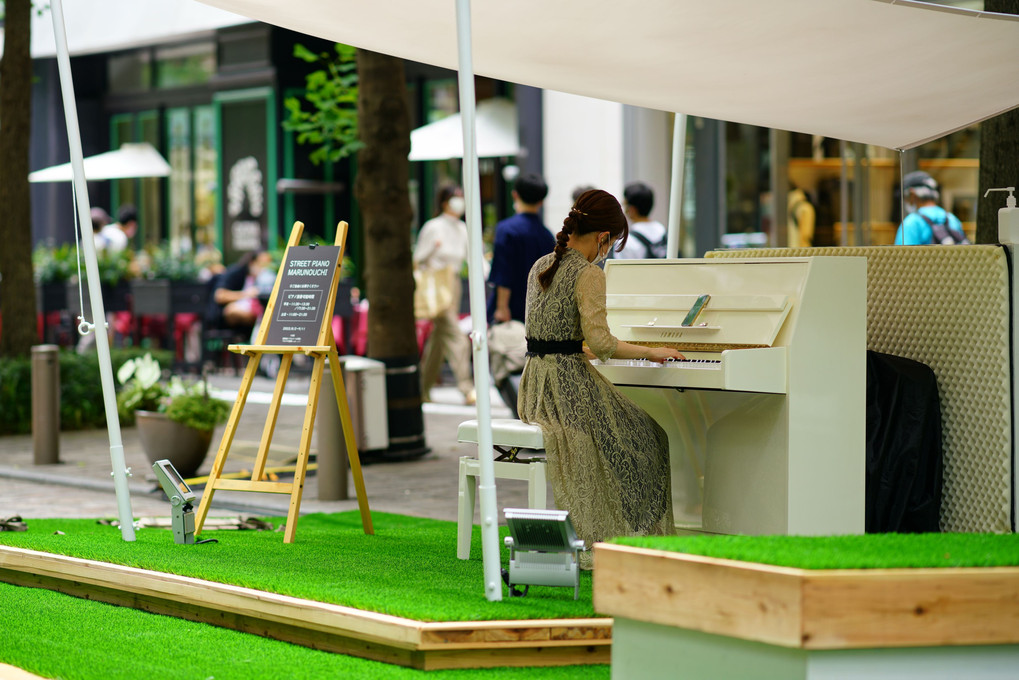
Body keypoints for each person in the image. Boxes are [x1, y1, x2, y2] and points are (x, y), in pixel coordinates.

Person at [517, 189, 682, 568]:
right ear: (604, 237)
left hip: (535, 387)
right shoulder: (589, 273)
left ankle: (615, 531)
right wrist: (651, 351)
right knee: (649, 435)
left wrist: (580, 347)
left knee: (623, 435)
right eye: (614, 243)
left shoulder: (540, 264)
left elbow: (552, 335)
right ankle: (627, 535)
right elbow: (603, 342)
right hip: (565, 387)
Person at [413, 184, 475, 405]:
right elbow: (418, 259)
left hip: (454, 282)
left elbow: (472, 257)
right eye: (455, 197)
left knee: (439, 340)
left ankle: (421, 388)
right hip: (436, 284)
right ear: (444, 201)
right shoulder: (433, 227)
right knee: (456, 336)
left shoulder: (462, 228)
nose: (459, 201)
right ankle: (466, 388)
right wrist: (433, 249)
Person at [488, 173, 555, 323]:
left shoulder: (506, 230)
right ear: (541, 201)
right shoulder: (546, 235)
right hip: (538, 310)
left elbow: (503, 272)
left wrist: (501, 307)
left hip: (511, 307)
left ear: (515, 195)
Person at [894, 171, 969, 245]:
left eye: (905, 198)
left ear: (912, 194)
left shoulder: (911, 223)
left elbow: (903, 255)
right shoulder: (952, 218)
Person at [209, 249, 274, 331]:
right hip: (222, 317)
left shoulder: (261, 278)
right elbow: (220, 296)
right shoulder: (236, 272)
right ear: (252, 262)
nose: (264, 268)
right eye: (262, 264)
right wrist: (246, 294)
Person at [614, 181, 667, 259]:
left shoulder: (626, 242)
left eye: (624, 205)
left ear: (631, 209)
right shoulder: (663, 232)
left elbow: (622, 270)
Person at [787, 184, 815, 248]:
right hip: (798, 249)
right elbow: (806, 235)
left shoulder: (802, 207)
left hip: (796, 249)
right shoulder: (805, 207)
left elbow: (804, 236)